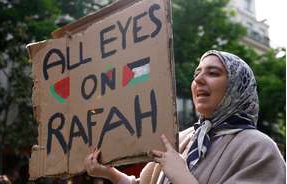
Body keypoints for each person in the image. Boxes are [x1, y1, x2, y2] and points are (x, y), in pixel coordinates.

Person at [84, 50, 286, 184]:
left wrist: (182, 176)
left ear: (236, 88)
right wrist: (109, 173)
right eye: (197, 73)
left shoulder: (259, 148)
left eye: (213, 73)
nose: (198, 79)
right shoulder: (182, 138)